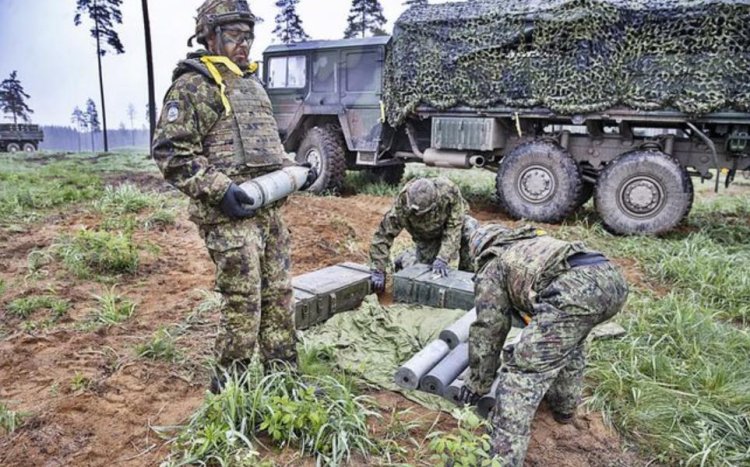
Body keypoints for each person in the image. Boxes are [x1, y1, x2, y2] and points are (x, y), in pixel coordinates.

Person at [152, 0, 315, 392]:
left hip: (268, 211)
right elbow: (171, 152)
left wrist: (293, 171)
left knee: (279, 296)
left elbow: (267, 147)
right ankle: (231, 396)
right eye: (234, 36)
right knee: (244, 303)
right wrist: (220, 189)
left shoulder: (251, 84)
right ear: (209, 35)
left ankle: (284, 383)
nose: (244, 44)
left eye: (248, 36)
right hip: (228, 217)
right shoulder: (193, 86)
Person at [461, 223, 628, 466]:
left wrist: (478, 383)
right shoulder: (528, 244)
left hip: (575, 291)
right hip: (612, 279)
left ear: (481, 250)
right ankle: (564, 408)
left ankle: (502, 459)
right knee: (568, 343)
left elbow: (489, 328)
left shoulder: (494, 264)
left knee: (523, 372)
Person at [369, 177, 477, 292]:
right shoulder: (402, 204)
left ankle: (466, 279)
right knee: (423, 275)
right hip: (426, 237)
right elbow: (383, 235)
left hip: (448, 226)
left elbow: (455, 226)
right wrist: (378, 269)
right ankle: (405, 258)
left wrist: (443, 258)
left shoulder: (449, 191)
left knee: (470, 228)